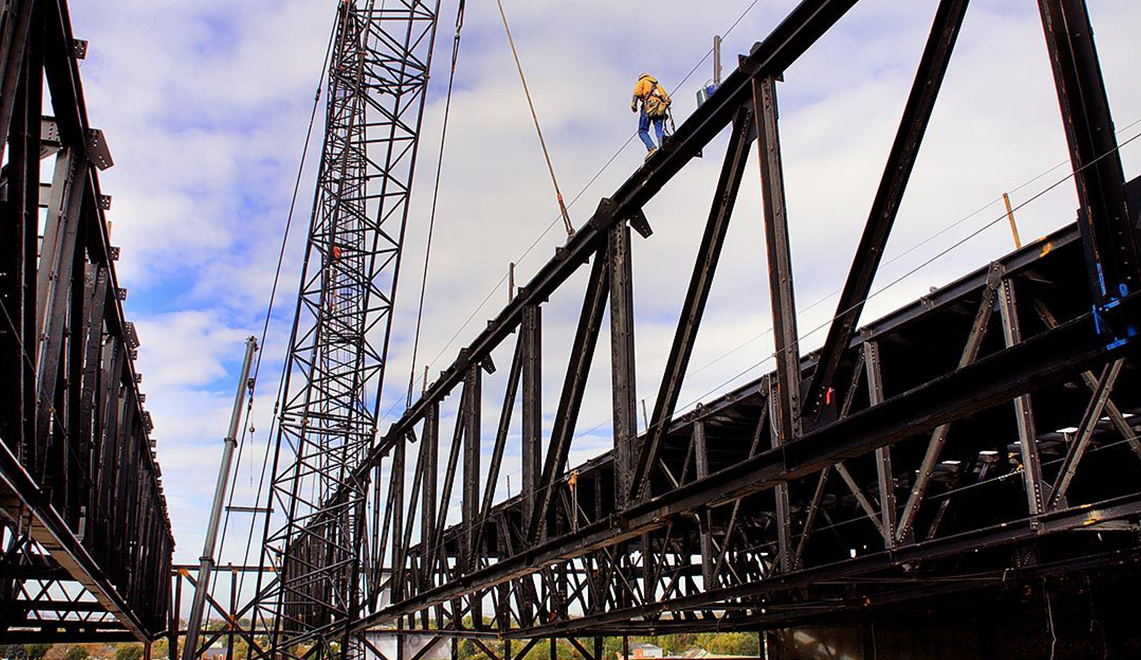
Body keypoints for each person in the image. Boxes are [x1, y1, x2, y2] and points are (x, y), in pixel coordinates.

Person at [631, 73, 671, 160]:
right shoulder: (657, 84)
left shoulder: (642, 81)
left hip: (649, 106)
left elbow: (637, 93)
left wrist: (634, 104)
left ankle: (651, 148)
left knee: (642, 130)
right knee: (659, 128)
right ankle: (663, 145)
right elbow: (668, 99)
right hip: (659, 107)